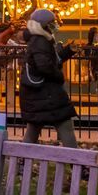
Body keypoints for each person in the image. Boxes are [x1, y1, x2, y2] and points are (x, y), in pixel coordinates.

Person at [19, 8, 78, 148]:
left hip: (39, 95)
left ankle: (21, 164)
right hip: (47, 95)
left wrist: (68, 51)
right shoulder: (40, 41)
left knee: (33, 130)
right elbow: (44, 66)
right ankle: (79, 166)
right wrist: (59, 76)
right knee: (65, 125)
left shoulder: (40, 39)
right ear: (45, 24)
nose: (55, 25)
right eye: (53, 22)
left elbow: (50, 61)